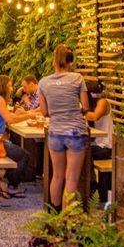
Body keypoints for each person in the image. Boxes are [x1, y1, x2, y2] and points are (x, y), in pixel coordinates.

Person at [38, 45, 90, 209]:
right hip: (75, 131)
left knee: (57, 175)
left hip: (55, 131)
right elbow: (87, 107)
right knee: (72, 178)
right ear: (71, 62)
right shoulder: (77, 79)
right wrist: (75, 109)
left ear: (54, 61)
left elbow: (45, 112)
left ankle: (54, 216)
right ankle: (67, 220)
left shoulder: (43, 82)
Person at [0, 75, 37, 198]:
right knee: (24, 156)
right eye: (10, 85)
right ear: (4, 86)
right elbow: (10, 120)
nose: (11, 88)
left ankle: (2, 179)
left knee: (14, 148)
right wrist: (29, 116)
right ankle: (9, 185)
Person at [85, 81, 113, 160]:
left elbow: (95, 116)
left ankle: (88, 172)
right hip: (95, 144)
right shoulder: (90, 105)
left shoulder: (102, 102)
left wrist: (76, 112)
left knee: (76, 150)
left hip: (104, 147)